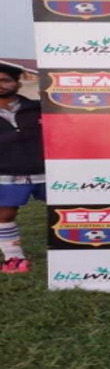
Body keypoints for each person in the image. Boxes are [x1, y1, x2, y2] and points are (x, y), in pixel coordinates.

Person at [0, 64, 43, 274]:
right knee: (5, 214)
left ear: (17, 83)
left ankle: (77, 251)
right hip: (7, 173)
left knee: (68, 210)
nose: (0, 85)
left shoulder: (37, 107)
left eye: (5, 80)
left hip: (48, 171)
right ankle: (14, 259)